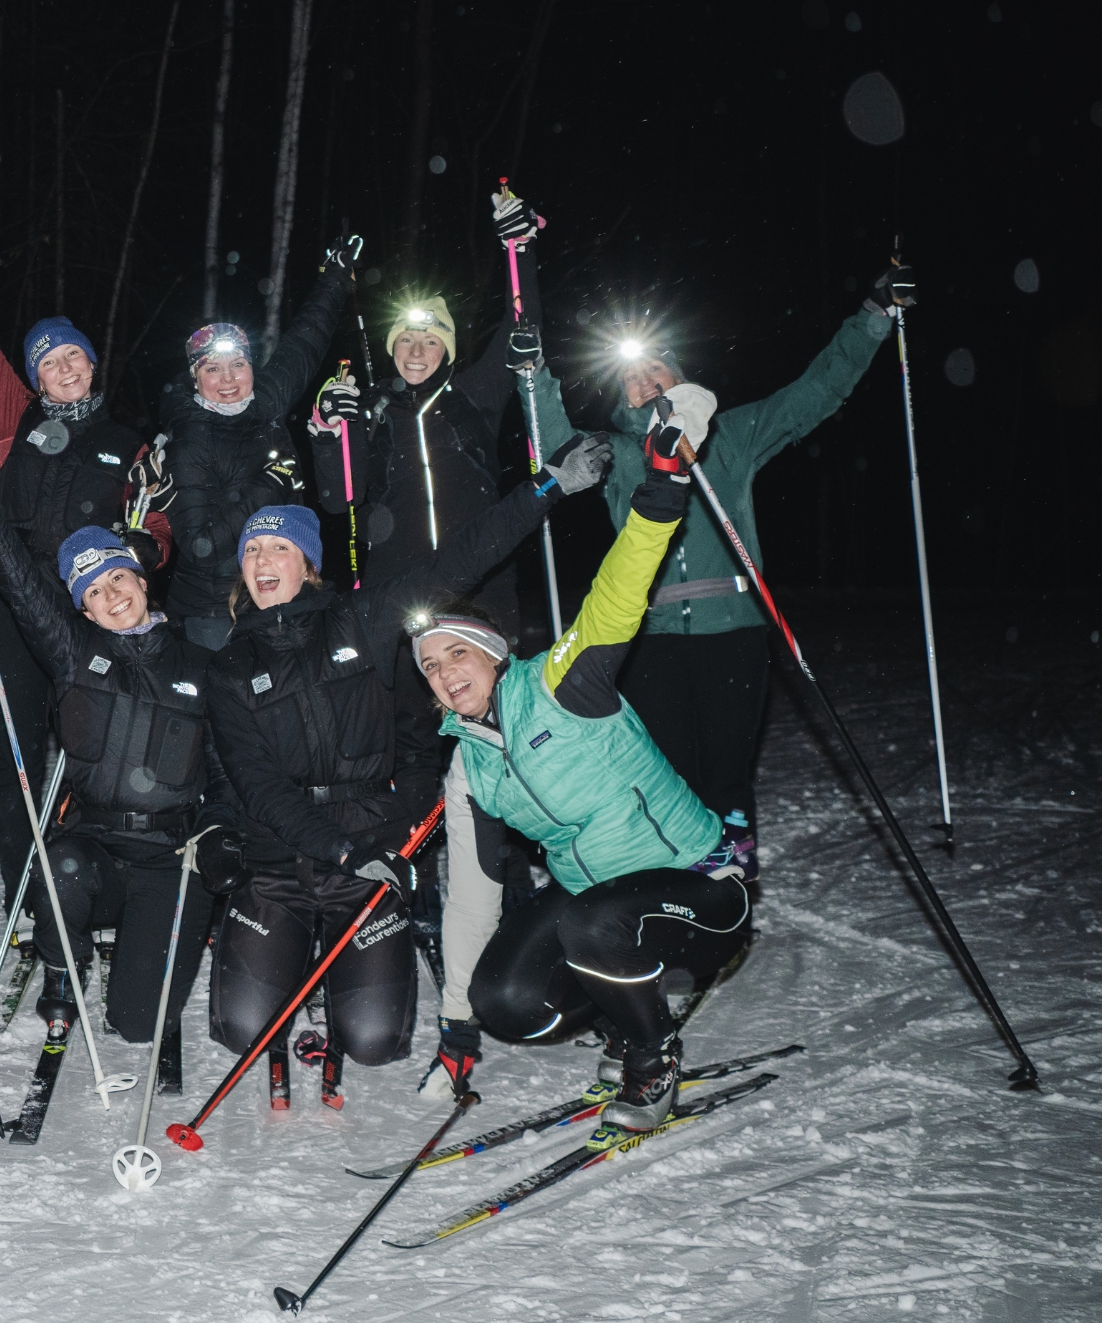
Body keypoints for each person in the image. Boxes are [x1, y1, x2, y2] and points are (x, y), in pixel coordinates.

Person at [200, 428, 609, 1102]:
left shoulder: (360, 619)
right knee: (241, 1028)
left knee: (373, 1043)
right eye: (252, 550)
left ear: (308, 562)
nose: (264, 560)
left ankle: (333, 975)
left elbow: (458, 562)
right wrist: (332, 848)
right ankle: (282, 967)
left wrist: (545, 488)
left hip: (370, 850)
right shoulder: (229, 666)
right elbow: (256, 783)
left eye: (280, 546)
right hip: (279, 861)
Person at [417, 386, 751, 1131]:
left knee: (592, 921)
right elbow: (472, 894)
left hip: (701, 891)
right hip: (599, 912)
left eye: (457, 655)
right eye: (431, 668)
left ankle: (651, 1051)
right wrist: (457, 1023)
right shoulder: (469, 765)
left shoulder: (563, 683)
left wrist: (663, 486)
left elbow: (619, 589)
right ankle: (622, 1013)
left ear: (494, 656)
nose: (445, 673)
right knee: (504, 1002)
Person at [523, 264, 913, 858]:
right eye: (631, 377)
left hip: (734, 630)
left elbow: (816, 391)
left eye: (655, 368)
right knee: (669, 772)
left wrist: (874, 316)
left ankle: (735, 879)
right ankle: (680, 887)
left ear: (678, 375)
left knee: (726, 769)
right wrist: (532, 374)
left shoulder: (730, 436)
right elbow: (554, 446)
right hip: (648, 635)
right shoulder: (619, 452)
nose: (645, 381)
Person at [0, 194, 161, 922]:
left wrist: (146, 546)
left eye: (74, 355)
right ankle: (26, 901)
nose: (65, 368)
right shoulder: (16, 421)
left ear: (92, 364)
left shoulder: (127, 440)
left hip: (88, 621)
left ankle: (87, 893)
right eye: (51, 361)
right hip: (10, 612)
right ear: (37, 377)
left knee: (93, 762)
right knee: (18, 763)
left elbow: (157, 519)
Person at [0, 468, 242, 1060]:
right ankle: (62, 961)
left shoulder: (202, 665)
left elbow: (227, 768)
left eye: (119, 578)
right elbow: (23, 585)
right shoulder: (77, 655)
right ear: (83, 609)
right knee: (58, 868)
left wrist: (222, 830)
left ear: (142, 580)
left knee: (137, 1025)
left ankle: (142, 950)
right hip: (94, 846)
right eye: (95, 591)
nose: (112, 595)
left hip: (171, 858)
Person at [310, 189, 554, 649]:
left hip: (481, 582)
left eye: (430, 341)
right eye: (405, 341)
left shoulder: (474, 393)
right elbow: (340, 498)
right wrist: (327, 431)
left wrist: (519, 247)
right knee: (409, 717)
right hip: (398, 591)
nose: (417, 352)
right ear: (391, 348)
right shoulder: (370, 407)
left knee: (488, 706)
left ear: (447, 350)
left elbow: (521, 326)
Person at [161, 249, 357, 650]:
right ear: (196, 379)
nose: (228, 379)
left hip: (275, 600)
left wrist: (336, 276)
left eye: (238, 365)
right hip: (213, 617)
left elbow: (306, 341)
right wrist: (270, 485)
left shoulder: (263, 402)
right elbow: (201, 545)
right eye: (212, 369)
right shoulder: (190, 438)